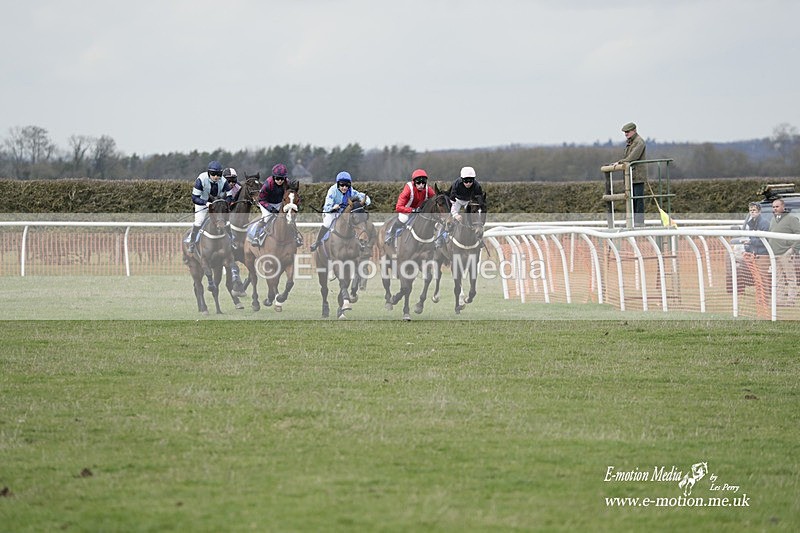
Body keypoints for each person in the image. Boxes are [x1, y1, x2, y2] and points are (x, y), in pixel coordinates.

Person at [310, 171, 371, 251]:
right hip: (332, 213)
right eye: (342, 185)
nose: (344, 188)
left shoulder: (351, 191)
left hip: (344, 212)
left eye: (347, 185)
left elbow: (363, 197)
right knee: (327, 223)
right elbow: (327, 207)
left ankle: (359, 242)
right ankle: (317, 241)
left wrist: (366, 201)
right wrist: (333, 207)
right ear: (338, 184)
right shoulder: (332, 190)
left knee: (354, 222)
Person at [187, 160, 235, 254]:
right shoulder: (201, 179)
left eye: (218, 174)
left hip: (217, 204)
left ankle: (232, 241)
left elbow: (230, 196)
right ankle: (192, 242)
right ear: (209, 173)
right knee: (199, 221)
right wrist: (206, 203)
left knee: (226, 221)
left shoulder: (224, 181)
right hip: (202, 202)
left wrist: (225, 203)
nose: (216, 177)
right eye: (213, 174)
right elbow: (194, 198)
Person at [384, 168, 436, 244]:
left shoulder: (428, 189)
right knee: (403, 219)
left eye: (423, 183)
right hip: (406, 210)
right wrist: (412, 210)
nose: (421, 185)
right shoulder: (408, 189)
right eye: (419, 183)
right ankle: (390, 234)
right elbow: (398, 207)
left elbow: (436, 199)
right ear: (414, 182)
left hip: (419, 211)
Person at [256, 163, 303, 247]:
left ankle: (296, 237)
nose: (280, 181)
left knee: (289, 217)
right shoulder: (268, 184)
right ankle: (257, 236)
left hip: (280, 203)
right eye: (277, 178)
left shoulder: (287, 183)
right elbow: (261, 199)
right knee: (266, 218)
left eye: (282, 178)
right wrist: (270, 208)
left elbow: (291, 195)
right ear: (273, 177)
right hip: (266, 203)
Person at [768, 198, 800, 305]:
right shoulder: (773, 219)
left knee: (790, 278)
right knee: (778, 278)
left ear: (783, 207)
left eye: (777, 206)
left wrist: (792, 249)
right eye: (773, 207)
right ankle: (779, 300)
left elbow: (798, 235)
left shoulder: (791, 219)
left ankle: (791, 300)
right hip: (774, 254)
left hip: (786, 253)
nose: (775, 209)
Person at [615, 122, 648, 226]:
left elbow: (632, 158)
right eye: (625, 132)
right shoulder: (631, 142)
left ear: (634, 131)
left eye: (628, 132)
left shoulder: (639, 142)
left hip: (637, 176)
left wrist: (620, 162)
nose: (626, 134)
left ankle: (639, 222)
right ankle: (631, 222)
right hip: (630, 176)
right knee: (630, 200)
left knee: (638, 200)